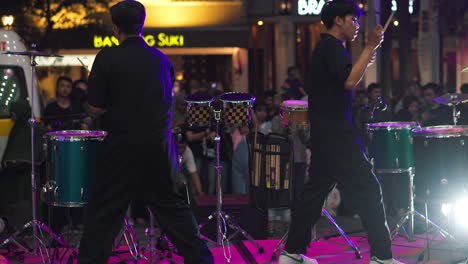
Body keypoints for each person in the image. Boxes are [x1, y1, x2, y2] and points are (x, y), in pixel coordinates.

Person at [77, 1, 213, 263]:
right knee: (172, 209)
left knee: (105, 210)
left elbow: (95, 106)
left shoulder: (108, 57)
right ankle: (202, 259)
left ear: (115, 27)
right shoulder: (161, 59)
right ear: (143, 24)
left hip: (122, 145)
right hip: (159, 146)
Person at [279, 1, 404, 264]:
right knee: (369, 189)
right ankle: (382, 256)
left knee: (313, 195)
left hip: (326, 133)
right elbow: (350, 81)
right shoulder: (331, 47)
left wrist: (369, 51)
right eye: (354, 20)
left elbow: (349, 76)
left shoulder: (329, 48)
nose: (357, 25)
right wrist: (369, 46)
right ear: (339, 20)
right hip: (336, 134)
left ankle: (292, 253)